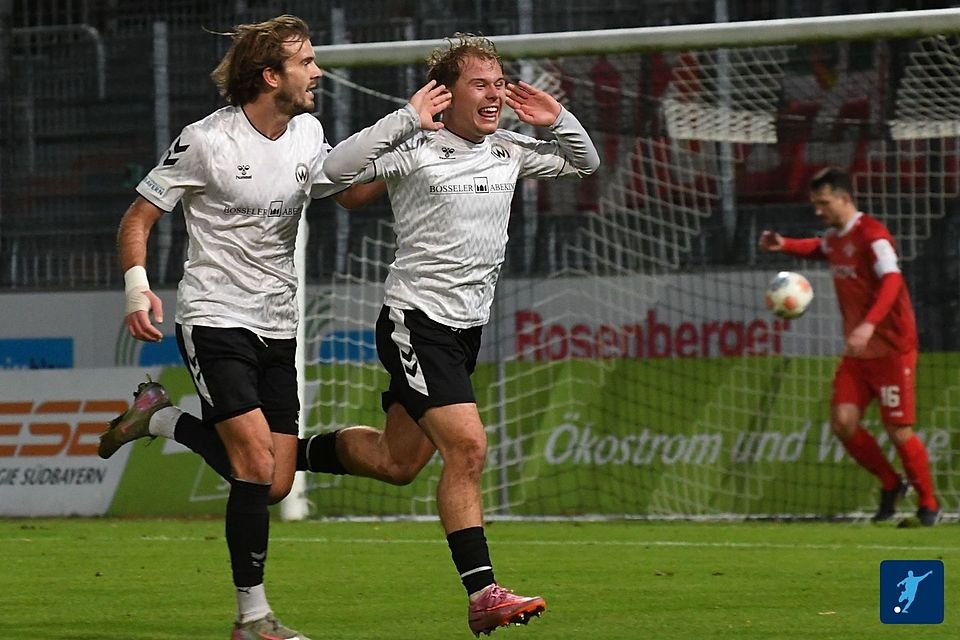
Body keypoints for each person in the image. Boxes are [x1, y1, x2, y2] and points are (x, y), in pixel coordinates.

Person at [301, 33, 600, 636]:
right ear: (447, 93)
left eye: (499, 83)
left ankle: (292, 453)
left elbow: (583, 164)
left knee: (398, 462)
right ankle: (483, 591)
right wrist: (405, 120)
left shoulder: (509, 150)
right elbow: (333, 181)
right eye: (479, 84)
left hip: (465, 330)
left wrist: (559, 117)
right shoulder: (417, 147)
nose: (493, 94)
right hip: (416, 322)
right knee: (467, 448)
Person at [98, 15, 382, 640]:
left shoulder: (309, 131)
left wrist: (410, 154)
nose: (318, 73)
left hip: (278, 324)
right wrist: (138, 289)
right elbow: (137, 219)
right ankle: (252, 618)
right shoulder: (207, 141)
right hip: (215, 317)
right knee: (253, 463)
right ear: (268, 75)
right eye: (306, 62)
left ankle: (161, 418)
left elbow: (348, 194)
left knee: (275, 482)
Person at [758, 166, 939, 527]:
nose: (818, 210)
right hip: (858, 355)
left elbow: (892, 280)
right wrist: (786, 245)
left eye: (823, 203)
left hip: (891, 349)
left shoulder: (874, 236)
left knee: (898, 430)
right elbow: (818, 248)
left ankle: (929, 503)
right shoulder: (835, 238)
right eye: (815, 203)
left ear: (844, 198)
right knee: (843, 422)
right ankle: (891, 484)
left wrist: (869, 324)